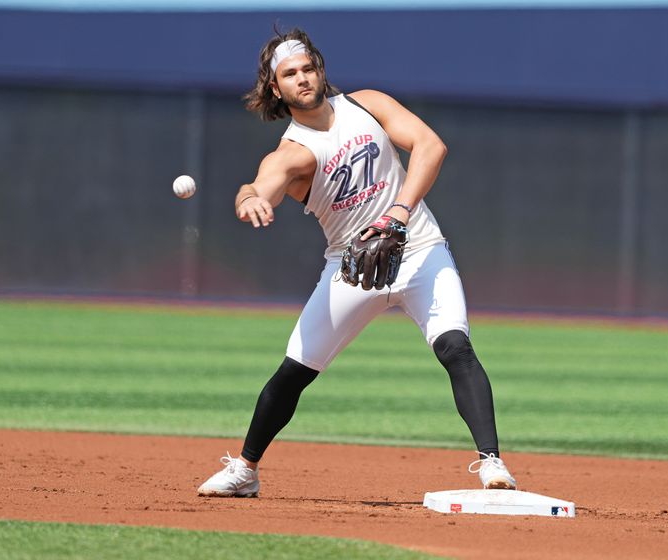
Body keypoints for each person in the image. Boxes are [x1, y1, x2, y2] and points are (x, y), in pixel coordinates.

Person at [197, 28, 516, 498]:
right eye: (290, 74)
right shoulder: (292, 154)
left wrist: (399, 213)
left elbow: (431, 146)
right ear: (275, 88)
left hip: (420, 249)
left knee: (455, 347)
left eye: (308, 68)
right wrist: (249, 200)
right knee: (295, 371)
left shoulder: (367, 104)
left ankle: (491, 463)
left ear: (321, 70)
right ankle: (246, 469)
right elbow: (261, 184)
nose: (303, 78)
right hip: (352, 269)